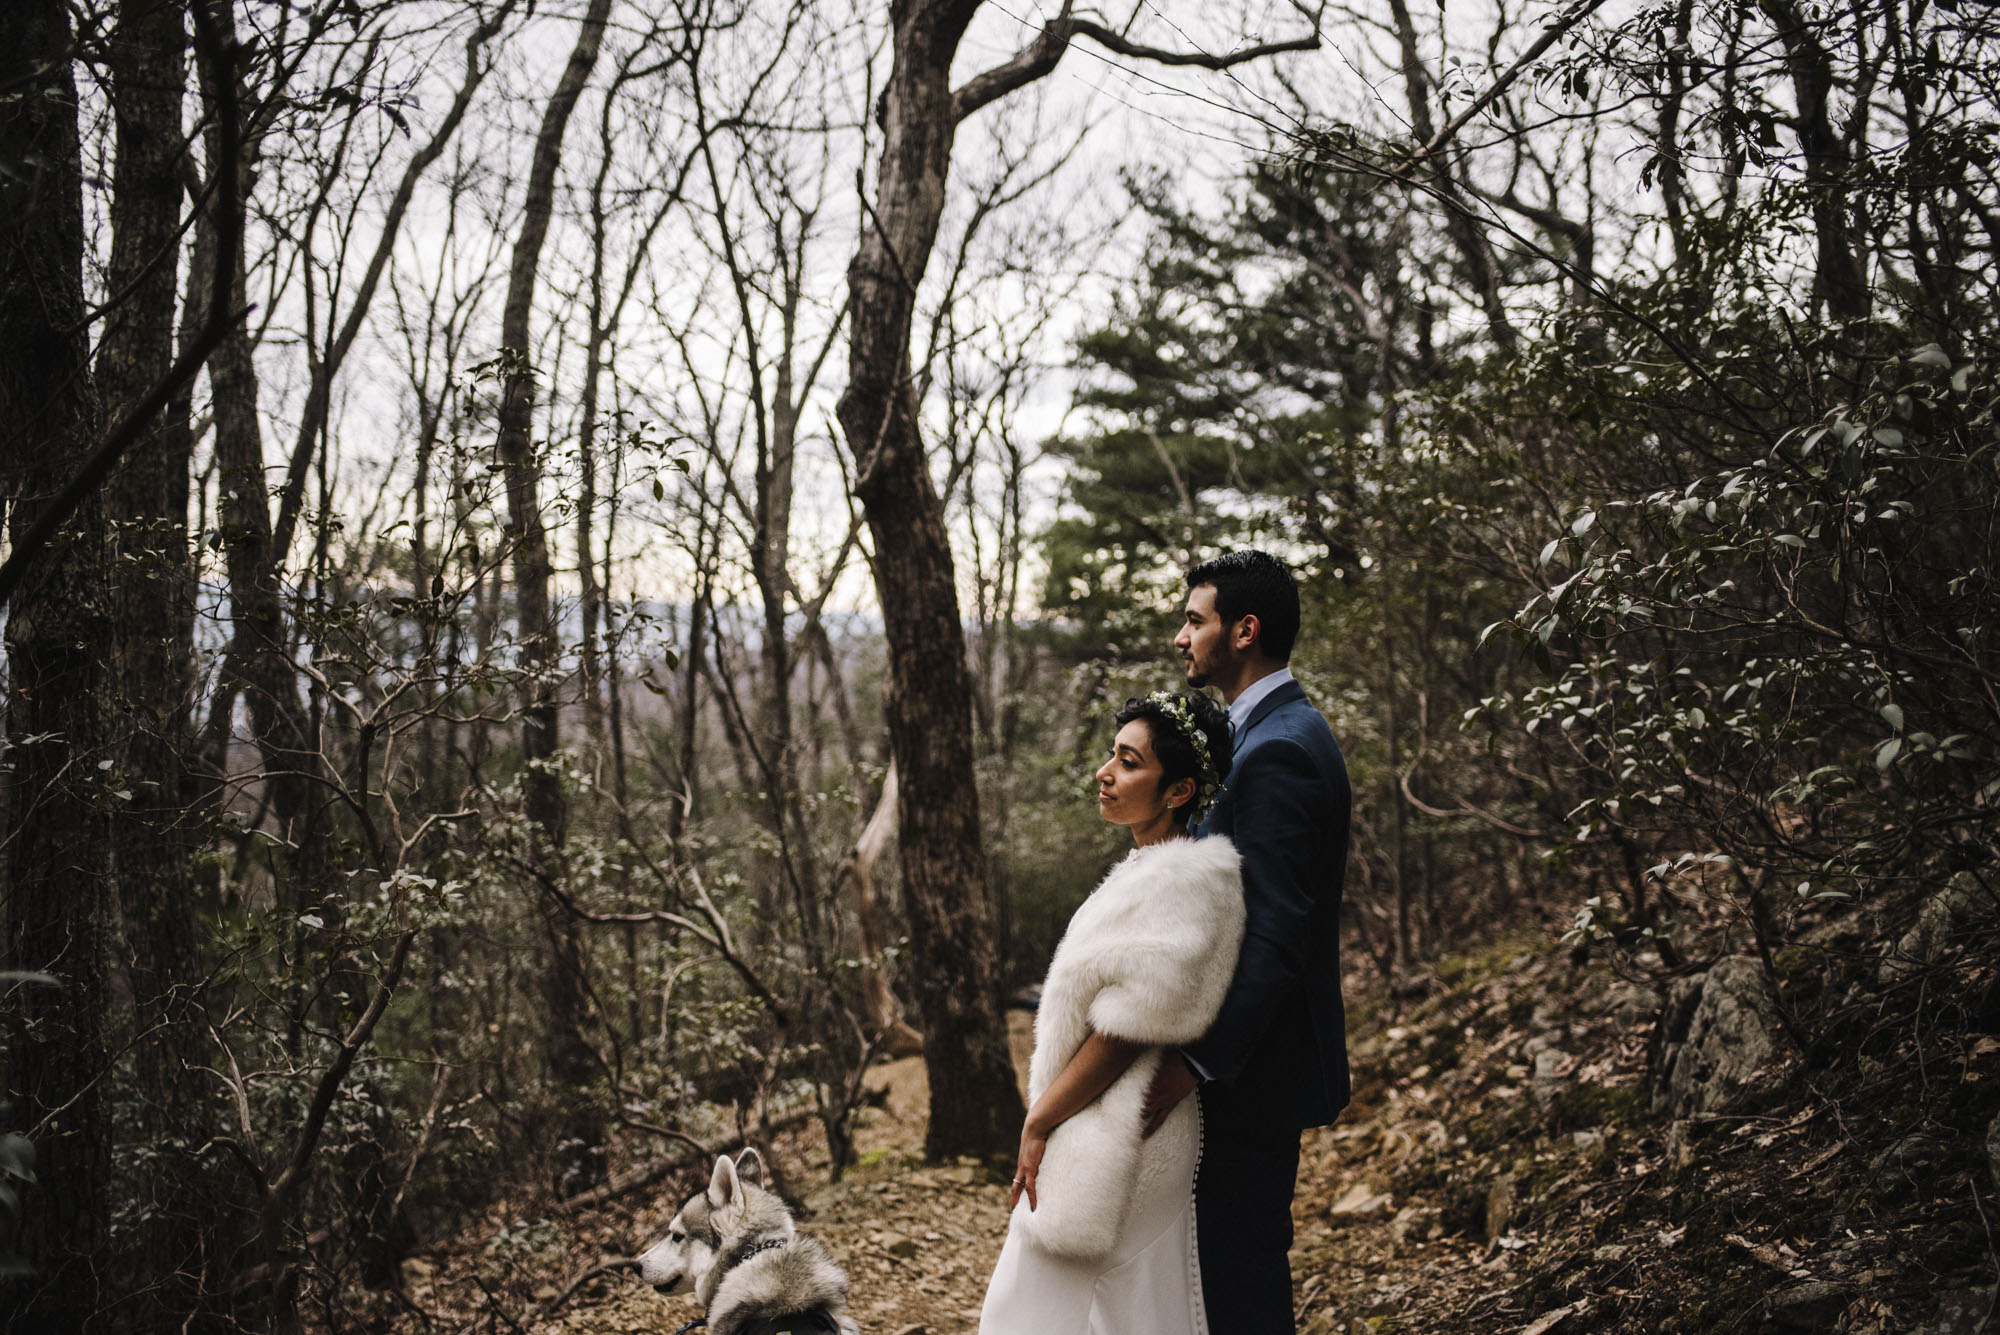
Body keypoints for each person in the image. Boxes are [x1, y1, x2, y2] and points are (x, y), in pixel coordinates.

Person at [980, 691, 1242, 1335]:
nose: (1105, 772)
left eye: (1128, 762)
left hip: (1122, 1130)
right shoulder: (1146, 868)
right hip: (1100, 1117)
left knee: (1039, 1310)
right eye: (1112, 755)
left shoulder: (1186, 881)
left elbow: (1127, 1028)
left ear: (1179, 790)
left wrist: (1040, 1119)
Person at [1144, 549, 1353, 1334]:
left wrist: (1195, 1064)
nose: (1181, 637)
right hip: (1249, 1066)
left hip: (1252, 1072)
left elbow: (1274, 935)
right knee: (1228, 1269)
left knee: (1241, 1276)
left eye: (1194, 620)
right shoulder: (1260, 733)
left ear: (1245, 630)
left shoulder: (1281, 752)